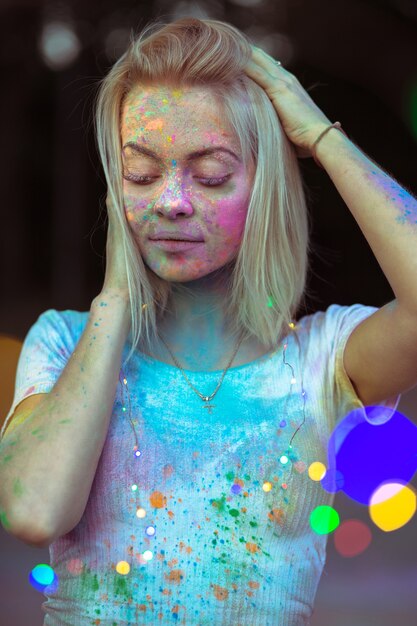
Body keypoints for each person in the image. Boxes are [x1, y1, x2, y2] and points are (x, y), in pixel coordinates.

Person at [1, 15, 416, 626]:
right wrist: (115, 299)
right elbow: (33, 511)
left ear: (265, 185)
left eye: (211, 174)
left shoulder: (323, 359)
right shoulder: (64, 345)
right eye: (140, 173)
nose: (171, 200)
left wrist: (319, 137)